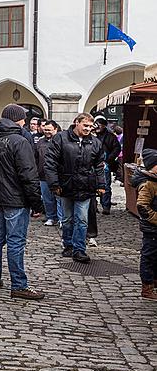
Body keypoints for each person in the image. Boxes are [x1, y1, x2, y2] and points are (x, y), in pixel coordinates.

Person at [0, 104, 45, 300]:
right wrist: (37, 203)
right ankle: (18, 284)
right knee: (16, 242)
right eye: (23, 118)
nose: (25, 122)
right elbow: (29, 176)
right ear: (17, 119)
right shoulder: (19, 141)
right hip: (15, 199)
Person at [44, 113, 106, 264]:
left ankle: (79, 249)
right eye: (85, 125)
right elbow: (50, 162)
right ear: (76, 123)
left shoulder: (95, 142)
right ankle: (68, 245)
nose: (88, 129)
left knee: (82, 219)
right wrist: (54, 184)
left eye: (91, 126)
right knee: (67, 219)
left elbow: (99, 165)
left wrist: (101, 184)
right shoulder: (61, 138)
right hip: (66, 185)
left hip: (85, 186)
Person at [132, 149, 157, 300]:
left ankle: (154, 282)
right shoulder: (147, 183)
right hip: (151, 228)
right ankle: (147, 287)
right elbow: (143, 207)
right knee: (149, 257)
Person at [35, 120, 64, 226]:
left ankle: (62, 219)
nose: (47, 132)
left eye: (49, 130)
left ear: (55, 129)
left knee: (59, 198)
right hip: (43, 175)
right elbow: (36, 158)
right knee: (47, 199)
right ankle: (51, 217)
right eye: (45, 129)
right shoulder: (40, 142)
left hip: (58, 175)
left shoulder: (61, 141)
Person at [94, 115, 120, 215]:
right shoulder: (91, 135)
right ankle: (94, 205)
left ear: (104, 126)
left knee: (105, 185)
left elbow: (117, 149)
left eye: (99, 125)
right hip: (92, 164)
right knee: (92, 186)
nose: (96, 127)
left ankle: (106, 206)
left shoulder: (110, 137)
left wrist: (108, 159)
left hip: (105, 164)